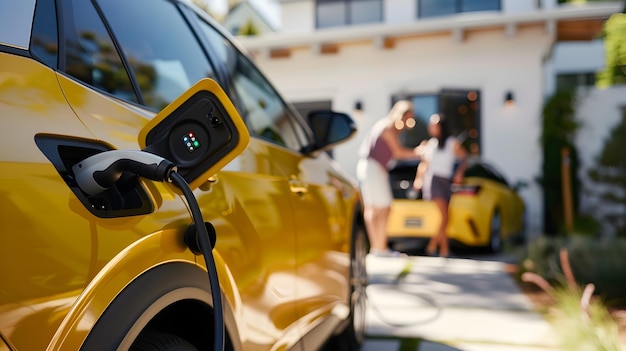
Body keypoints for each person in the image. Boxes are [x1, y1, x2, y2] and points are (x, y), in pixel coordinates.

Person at [357, 100, 420, 257]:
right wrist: (419, 152)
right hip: (373, 169)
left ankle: (377, 248)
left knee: (377, 208)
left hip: (371, 168)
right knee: (382, 207)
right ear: (401, 115)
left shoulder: (386, 126)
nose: (408, 124)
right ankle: (380, 248)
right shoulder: (388, 127)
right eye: (408, 119)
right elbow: (398, 153)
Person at [414, 113, 467, 257]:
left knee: (445, 217)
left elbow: (464, 158)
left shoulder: (452, 142)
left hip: (446, 181)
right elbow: (424, 165)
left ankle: (443, 250)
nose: (431, 127)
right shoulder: (430, 145)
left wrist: (459, 173)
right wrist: (418, 180)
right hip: (434, 181)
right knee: (445, 216)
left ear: (441, 126)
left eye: (434, 124)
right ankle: (433, 245)